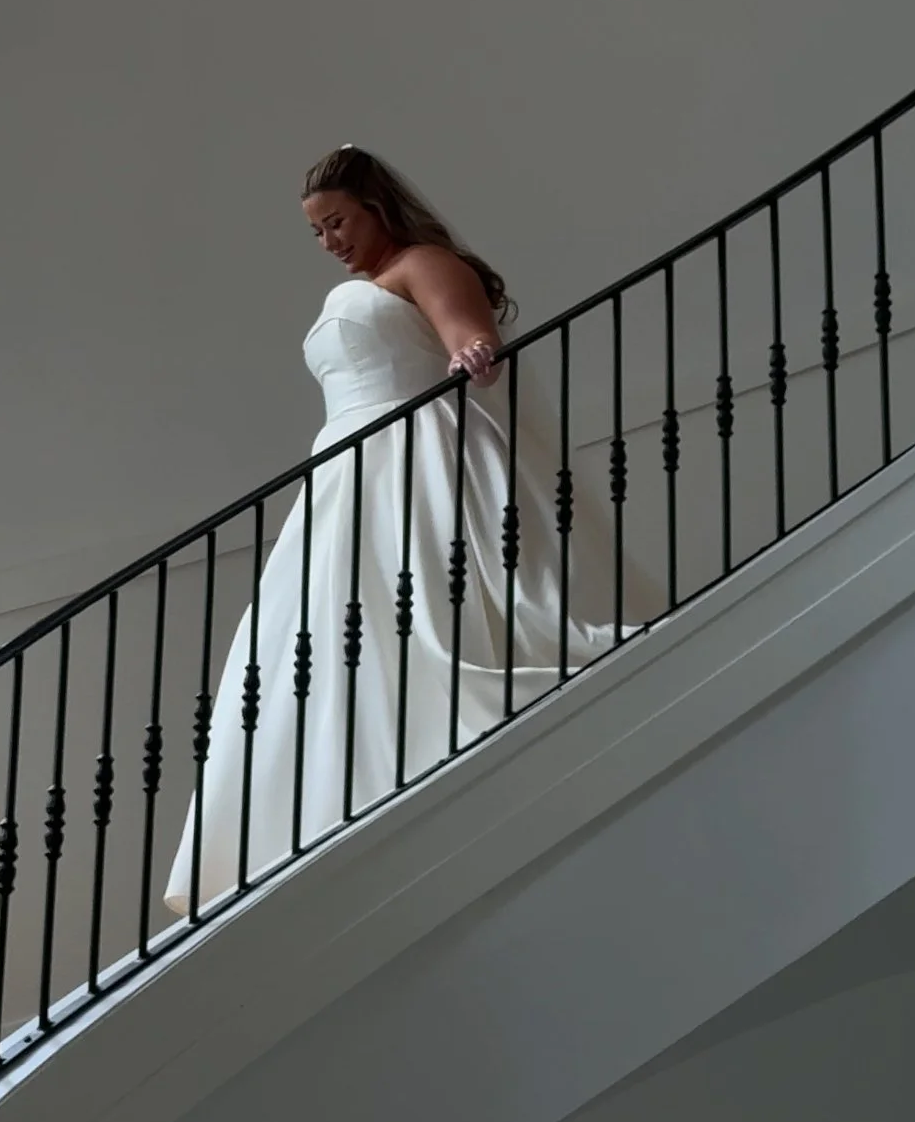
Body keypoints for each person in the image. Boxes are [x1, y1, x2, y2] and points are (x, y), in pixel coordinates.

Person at [165, 146, 648, 917]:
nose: (329, 240)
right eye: (317, 231)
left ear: (377, 208)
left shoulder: (423, 261)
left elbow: (466, 337)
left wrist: (473, 354)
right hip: (344, 474)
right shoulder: (351, 289)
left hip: (417, 452)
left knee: (425, 611)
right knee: (327, 639)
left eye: (338, 221)